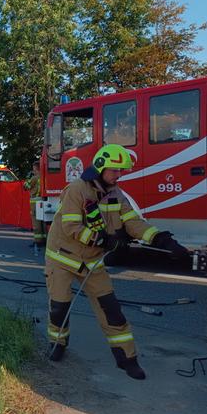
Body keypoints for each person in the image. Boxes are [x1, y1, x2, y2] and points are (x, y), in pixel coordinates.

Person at [45, 144, 188, 379]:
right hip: (62, 258)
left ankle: (127, 359)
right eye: (115, 170)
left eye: (121, 171)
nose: (119, 175)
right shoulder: (76, 190)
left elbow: (132, 222)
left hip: (92, 262)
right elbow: (71, 226)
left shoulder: (116, 193)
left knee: (112, 310)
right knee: (59, 307)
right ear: (100, 168)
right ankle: (57, 344)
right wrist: (102, 241)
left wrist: (160, 239)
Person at [24, 161, 46, 247]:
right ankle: (45, 239)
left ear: (36, 168)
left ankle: (38, 241)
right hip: (43, 200)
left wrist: (26, 180)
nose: (33, 170)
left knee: (36, 222)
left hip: (35, 202)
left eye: (33, 168)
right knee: (43, 221)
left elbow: (27, 187)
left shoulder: (34, 178)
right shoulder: (44, 176)